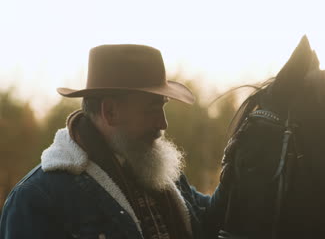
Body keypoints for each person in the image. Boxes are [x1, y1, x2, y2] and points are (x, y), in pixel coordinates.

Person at [0, 44, 231, 239]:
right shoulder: (37, 198)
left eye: (163, 107)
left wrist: (239, 165)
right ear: (110, 111)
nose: (163, 123)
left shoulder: (153, 168)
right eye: (152, 109)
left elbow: (208, 222)